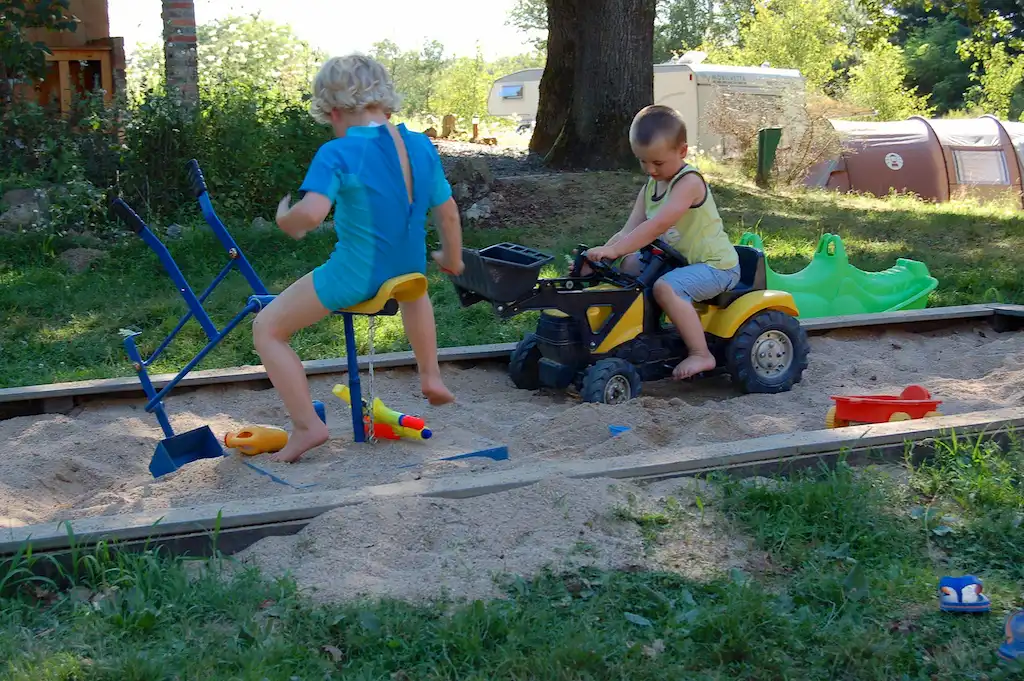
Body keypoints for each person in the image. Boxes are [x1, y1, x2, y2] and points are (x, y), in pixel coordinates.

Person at [253, 54, 464, 464]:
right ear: (384, 101)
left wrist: (287, 220)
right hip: (409, 271)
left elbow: (311, 215)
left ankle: (306, 426)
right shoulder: (420, 145)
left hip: (356, 274)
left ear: (333, 110)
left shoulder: (338, 152)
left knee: (267, 327)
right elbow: (449, 212)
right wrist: (451, 256)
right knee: (414, 293)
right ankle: (430, 375)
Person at [584, 104, 740, 381]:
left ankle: (701, 353)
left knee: (666, 287)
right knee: (629, 264)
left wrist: (617, 249)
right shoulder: (650, 188)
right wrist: (601, 257)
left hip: (716, 268)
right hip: (679, 262)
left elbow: (657, 225)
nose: (650, 169)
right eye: (643, 161)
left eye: (658, 162)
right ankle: (635, 338)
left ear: (682, 151)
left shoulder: (689, 182)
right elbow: (629, 230)